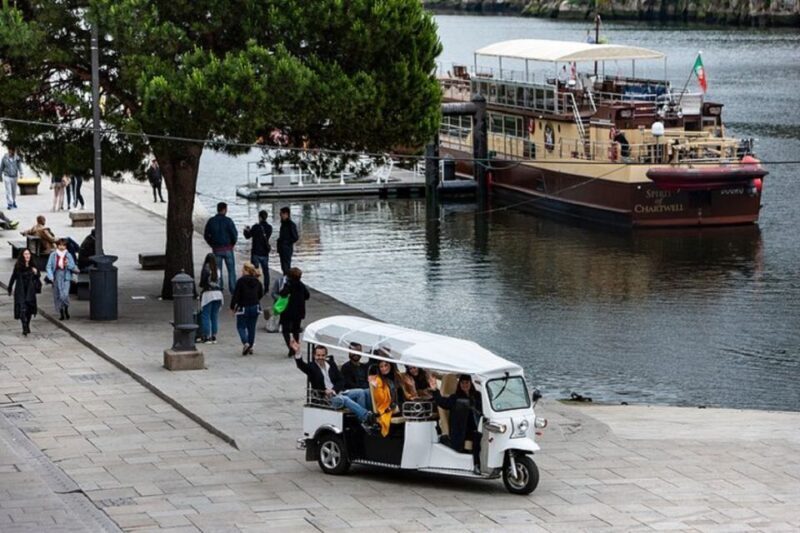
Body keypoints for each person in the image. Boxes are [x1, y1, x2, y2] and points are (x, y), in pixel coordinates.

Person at [291, 341, 376, 430]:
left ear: (326, 355)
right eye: (318, 355)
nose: (320, 358)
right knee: (345, 399)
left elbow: (341, 380)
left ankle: (361, 421)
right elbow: (301, 365)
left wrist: (334, 390)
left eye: (322, 355)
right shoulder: (312, 367)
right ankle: (366, 416)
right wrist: (297, 352)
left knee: (361, 392)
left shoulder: (331, 364)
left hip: (338, 392)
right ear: (314, 355)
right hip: (326, 399)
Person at [429, 373, 483, 473]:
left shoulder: (477, 396)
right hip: (461, 430)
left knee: (481, 434)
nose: (464, 385)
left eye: (467, 382)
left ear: (471, 383)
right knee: (477, 437)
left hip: (476, 426)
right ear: (459, 384)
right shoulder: (455, 398)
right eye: (462, 383)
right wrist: (435, 390)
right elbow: (442, 403)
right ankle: (477, 465)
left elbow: (484, 408)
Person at [230, 261, 263, 355]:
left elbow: (236, 295)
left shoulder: (240, 281)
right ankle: (251, 346)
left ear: (246, 270)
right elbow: (261, 293)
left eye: (242, 269)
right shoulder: (257, 281)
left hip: (243, 306)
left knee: (240, 326)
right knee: (251, 327)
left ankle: (246, 342)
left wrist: (232, 307)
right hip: (255, 306)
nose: (241, 271)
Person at [203, 202, 238, 293]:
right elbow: (234, 234)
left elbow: (206, 235)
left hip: (217, 249)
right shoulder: (228, 221)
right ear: (225, 209)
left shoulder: (211, 221)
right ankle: (233, 288)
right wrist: (232, 244)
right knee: (231, 271)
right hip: (228, 248)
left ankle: (219, 287)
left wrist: (212, 244)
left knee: (218, 270)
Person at [8, 249, 41, 336]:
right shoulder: (18, 265)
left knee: (29, 310)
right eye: (25, 254)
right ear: (22, 256)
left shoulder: (33, 265)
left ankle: (28, 324)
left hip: (30, 291)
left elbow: (38, 276)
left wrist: (36, 272)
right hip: (20, 290)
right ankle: (24, 326)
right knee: (22, 308)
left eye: (28, 254)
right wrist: (10, 287)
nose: (27, 256)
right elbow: (13, 276)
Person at [279, 267, 310, 357]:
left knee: (285, 330)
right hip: (299, 311)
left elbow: (282, 293)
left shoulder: (288, 285)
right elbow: (307, 296)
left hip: (287, 311)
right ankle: (296, 346)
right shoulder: (301, 285)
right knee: (295, 330)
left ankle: (290, 347)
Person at [45, 238, 79, 320]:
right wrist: (51, 277)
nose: (62, 247)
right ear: (57, 246)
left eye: (63, 245)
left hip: (66, 275)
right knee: (58, 294)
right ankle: (61, 312)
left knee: (65, 294)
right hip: (57, 275)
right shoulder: (53, 255)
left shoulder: (68, 255)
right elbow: (48, 266)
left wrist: (67, 264)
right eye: (60, 245)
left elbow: (73, 266)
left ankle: (66, 307)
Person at [243, 209, 272, 292]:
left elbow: (248, 236)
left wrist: (246, 230)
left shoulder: (256, 227)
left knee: (254, 271)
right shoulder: (269, 227)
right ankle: (266, 288)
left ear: (259, 217)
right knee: (266, 271)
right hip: (265, 253)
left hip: (256, 252)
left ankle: (255, 287)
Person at [198, 253, 223, 344]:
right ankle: (214, 336)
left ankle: (206, 336)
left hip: (208, 294)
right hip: (218, 294)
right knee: (214, 316)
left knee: (206, 315)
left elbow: (202, 282)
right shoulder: (218, 270)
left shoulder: (206, 269)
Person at [276, 206, 298, 274]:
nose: (280, 216)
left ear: (286, 214)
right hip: (282, 248)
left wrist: (286, 242)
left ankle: (287, 280)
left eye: (281, 214)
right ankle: (286, 278)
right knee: (283, 266)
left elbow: (295, 237)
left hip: (287, 249)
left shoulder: (291, 225)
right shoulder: (283, 224)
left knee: (286, 266)